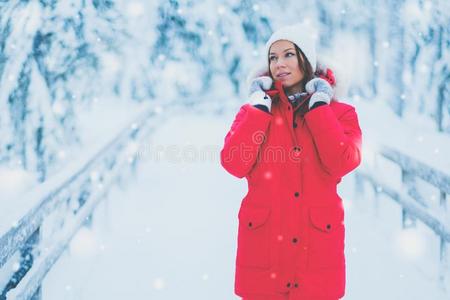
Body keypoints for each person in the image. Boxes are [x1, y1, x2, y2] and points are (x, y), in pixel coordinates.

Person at [220, 23, 363, 300]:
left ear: (305, 59)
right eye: (272, 57)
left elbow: (343, 161)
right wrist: (258, 110)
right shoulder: (253, 110)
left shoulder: (340, 113)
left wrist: (319, 108)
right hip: (264, 244)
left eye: (288, 55)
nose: (279, 64)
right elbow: (233, 163)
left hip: (317, 245)